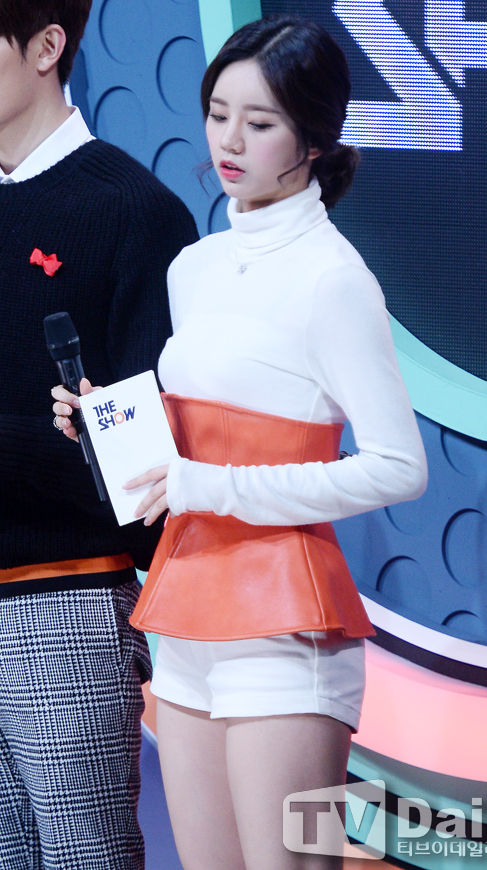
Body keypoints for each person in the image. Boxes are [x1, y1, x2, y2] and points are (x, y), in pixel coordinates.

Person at [55, 14, 427, 870]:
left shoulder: (333, 280)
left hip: (285, 629)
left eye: (259, 123)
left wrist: (214, 486)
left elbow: (399, 467)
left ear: (313, 140)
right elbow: (210, 428)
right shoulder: (196, 268)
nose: (228, 141)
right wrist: (112, 423)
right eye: (218, 113)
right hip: (187, 616)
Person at [1, 1, 198, 867]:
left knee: (86, 855)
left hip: (65, 601)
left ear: (48, 45)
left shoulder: (134, 213)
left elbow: (143, 473)